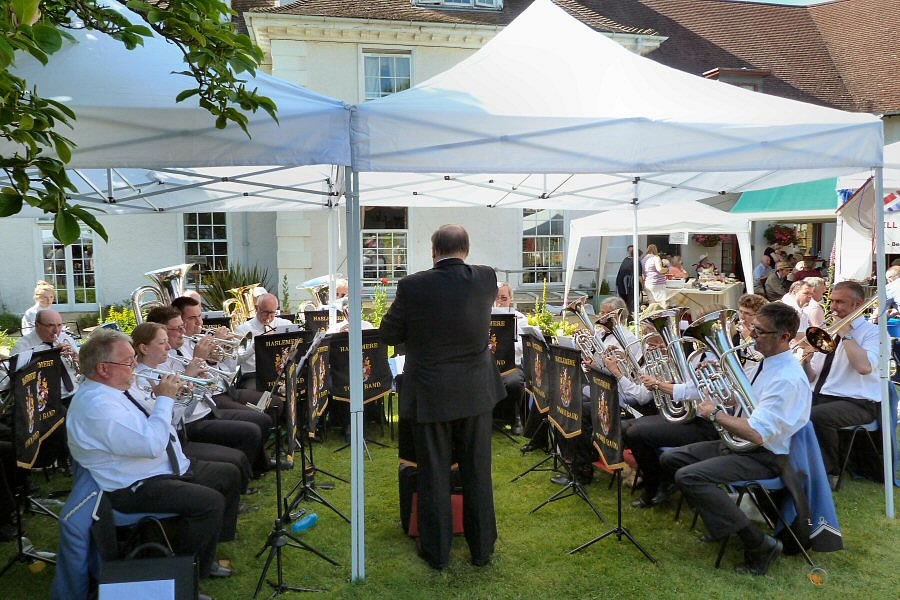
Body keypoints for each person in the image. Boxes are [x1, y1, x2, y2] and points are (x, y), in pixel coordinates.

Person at [66, 329, 240, 579]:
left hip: (156, 467)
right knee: (209, 503)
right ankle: (186, 575)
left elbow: (156, 421)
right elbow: (151, 444)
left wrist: (169, 395)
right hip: (132, 486)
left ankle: (208, 547)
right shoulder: (98, 406)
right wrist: (165, 400)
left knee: (228, 474)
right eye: (128, 361)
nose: (135, 365)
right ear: (103, 368)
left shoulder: (115, 388)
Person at [379, 224, 504, 570]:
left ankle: (437, 551)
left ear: (433, 251)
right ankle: (482, 549)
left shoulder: (413, 285)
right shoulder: (486, 278)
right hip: (476, 391)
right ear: (466, 248)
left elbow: (389, 332)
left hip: (432, 392)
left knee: (433, 471)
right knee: (477, 469)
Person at [660, 302, 811, 575]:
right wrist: (714, 387)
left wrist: (716, 414)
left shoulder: (787, 378)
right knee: (671, 458)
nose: (752, 336)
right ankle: (724, 523)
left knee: (688, 476)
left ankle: (759, 543)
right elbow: (741, 400)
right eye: (753, 329)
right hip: (741, 446)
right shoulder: (764, 364)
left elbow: (757, 432)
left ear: (785, 337)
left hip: (765, 455)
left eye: (760, 332)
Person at [130, 322, 256, 499]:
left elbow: (184, 411)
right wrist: (187, 383)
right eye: (162, 343)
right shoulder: (142, 380)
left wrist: (196, 387)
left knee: (239, 456)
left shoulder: (166, 367)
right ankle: (230, 495)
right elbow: (174, 420)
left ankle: (235, 492)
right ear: (143, 348)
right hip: (176, 441)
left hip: (182, 432)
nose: (168, 347)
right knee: (234, 461)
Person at [146, 306, 269, 476]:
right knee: (252, 429)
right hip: (192, 420)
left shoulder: (188, 344)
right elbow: (183, 412)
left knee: (261, 418)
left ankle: (256, 467)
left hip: (209, 405)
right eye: (178, 328)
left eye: (183, 325)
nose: (183, 331)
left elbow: (223, 375)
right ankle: (249, 472)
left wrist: (220, 354)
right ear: (162, 331)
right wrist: (198, 362)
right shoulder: (160, 362)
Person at [801, 281, 880, 489]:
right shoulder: (826, 330)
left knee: (815, 416)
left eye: (840, 302)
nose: (834, 307)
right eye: (832, 301)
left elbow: (864, 367)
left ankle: (830, 473)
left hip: (857, 401)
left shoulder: (873, 333)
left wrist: (847, 334)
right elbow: (812, 377)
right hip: (821, 395)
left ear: (858, 304)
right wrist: (805, 361)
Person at [12, 309, 80, 402]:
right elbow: (18, 379)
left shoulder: (66, 338)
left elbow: (80, 369)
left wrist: (78, 360)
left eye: (59, 325)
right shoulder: (23, 346)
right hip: (45, 401)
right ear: (37, 325)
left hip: (74, 393)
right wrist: (52, 355)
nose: (56, 331)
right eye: (50, 325)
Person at [234, 293, 293, 391]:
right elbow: (237, 360)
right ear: (257, 308)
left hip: (278, 373)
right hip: (253, 375)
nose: (269, 317)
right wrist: (256, 345)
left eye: (272, 313)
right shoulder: (243, 330)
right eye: (265, 312)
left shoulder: (284, 324)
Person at [494, 282, 526, 435]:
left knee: (513, 382)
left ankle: (515, 417)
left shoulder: (519, 319)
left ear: (510, 299)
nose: (499, 302)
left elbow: (523, 347)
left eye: (503, 298)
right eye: (495, 298)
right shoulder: (483, 317)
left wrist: (504, 345)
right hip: (488, 366)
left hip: (511, 365)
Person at [615, 245, 642, 314]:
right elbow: (639, 276)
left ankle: (624, 319)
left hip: (622, 285)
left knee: (624, 305)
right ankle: (630, 320)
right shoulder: (636, 261)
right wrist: (643, 285)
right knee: (631, 306)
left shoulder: (625, 260)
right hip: (630, 286)